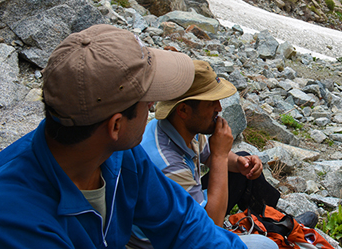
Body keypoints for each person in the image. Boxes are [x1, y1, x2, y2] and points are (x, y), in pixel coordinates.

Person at [0, 24, 273, 249]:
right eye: (146, 102)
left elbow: (184, 223)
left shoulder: (122, 156)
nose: (153, 108)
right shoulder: (9, 217)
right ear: (115, 126)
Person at [131, 60, 316, 241]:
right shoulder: (166, 164)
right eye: (211, 103)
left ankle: (277, 224)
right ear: (183, 110)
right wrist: (220, 154)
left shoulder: (181, 127)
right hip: (168, 240)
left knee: (241, 163)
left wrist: (240, 163)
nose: (219, 108)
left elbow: (210, 156)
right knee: (265, 246)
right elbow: (209, 227)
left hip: (186, 211)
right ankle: (275, 235)